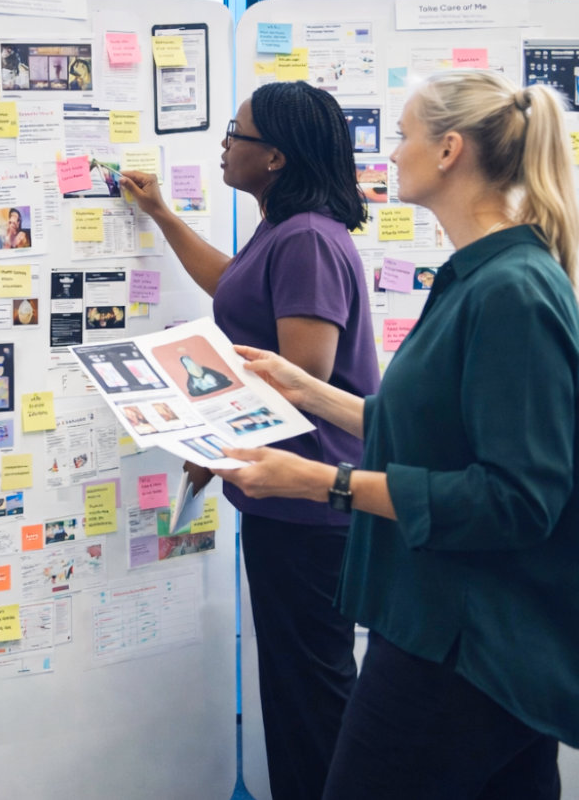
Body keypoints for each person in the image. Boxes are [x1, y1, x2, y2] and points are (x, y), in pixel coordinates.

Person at [213, 70, 579, 799]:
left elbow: (516, 499)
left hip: (466, 644)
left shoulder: (513, 290)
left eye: (404, 136)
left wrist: (323, 481)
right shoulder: (474, 276)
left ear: (449, 151)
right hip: (442, 624)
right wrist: (313, 393)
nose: (389, 154)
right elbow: (428, 429)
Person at [121, 80, 379, 800]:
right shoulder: (284, 229)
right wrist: (163, 216)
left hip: (310, 503)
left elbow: (303, 374)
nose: (224, 146)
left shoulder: (306, 239)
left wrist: (191, 421)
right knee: (300, 688)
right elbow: (233, 288)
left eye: (235, 134)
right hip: (282, 499)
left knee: (311, 695)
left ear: (274, 155)